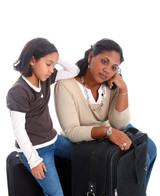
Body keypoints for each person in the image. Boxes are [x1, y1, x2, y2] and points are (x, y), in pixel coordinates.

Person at [54, 38, 157, 187]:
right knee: (124, 159)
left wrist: (123, 89)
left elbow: (120, 124)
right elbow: (72, 131)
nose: (108, 70)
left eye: (114, 67)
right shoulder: (65, 86)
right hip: (83, 139)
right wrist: (108, 132)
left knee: (149, 148)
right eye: (104, 61)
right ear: (90, 57)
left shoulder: (111, 86)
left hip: (109, 133)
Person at [6, 37, 79, 196]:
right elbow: (18, 130)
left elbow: (73, 71)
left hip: (54, 140)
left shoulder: (45, 78)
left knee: (84, 156)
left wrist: (54, 57)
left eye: (53, 65)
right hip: (36, 150)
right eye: (47, 64)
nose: (51, 69)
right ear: (32, 60)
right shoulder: (18, 91)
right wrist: (34, 160)